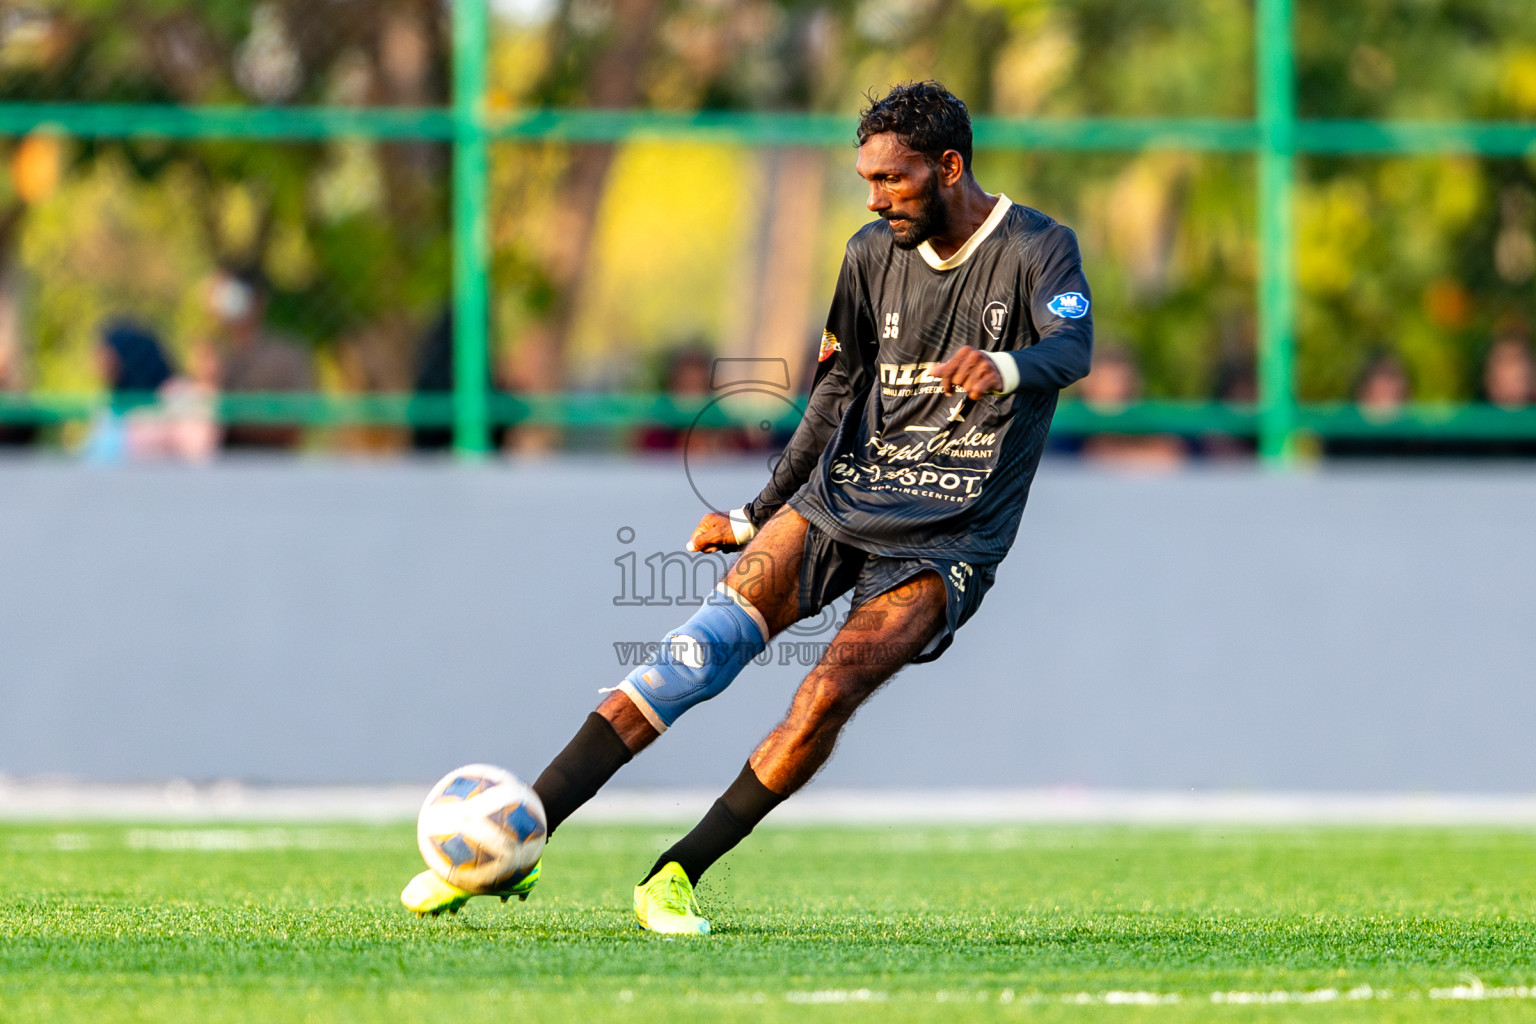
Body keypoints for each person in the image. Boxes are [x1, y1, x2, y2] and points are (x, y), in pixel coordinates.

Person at [401, 81, 1094, 933]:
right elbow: (835, 391)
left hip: (950, 537)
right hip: (842, 499)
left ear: (949, 168)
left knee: (824, 695)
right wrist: (756, 509)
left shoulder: (1035, 247)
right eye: (866, 180)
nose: (876, 198)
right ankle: (517, 838)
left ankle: (674, 875)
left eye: (893, 180)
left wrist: (1007, 364)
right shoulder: (870, 253)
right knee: (693, 651)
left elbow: (1072, 346)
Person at [204, 264, 315, 450]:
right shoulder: (210, 353)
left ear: (258, 299)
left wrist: (236, 417)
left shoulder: (286, 355)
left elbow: (297, 422)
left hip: (271, 461)